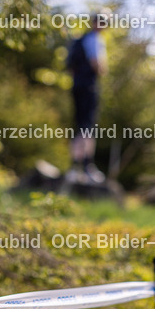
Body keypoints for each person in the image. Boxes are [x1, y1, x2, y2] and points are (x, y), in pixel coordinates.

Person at [66, 12, 107, 184]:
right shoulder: (95, 40)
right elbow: (96, 64)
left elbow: (70, 67)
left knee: (80, 124)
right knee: (88, 125)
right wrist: (102, 71)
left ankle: (76, 165)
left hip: (77, 86)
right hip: (89, 87)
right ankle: (86, 165)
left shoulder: (80, 39)